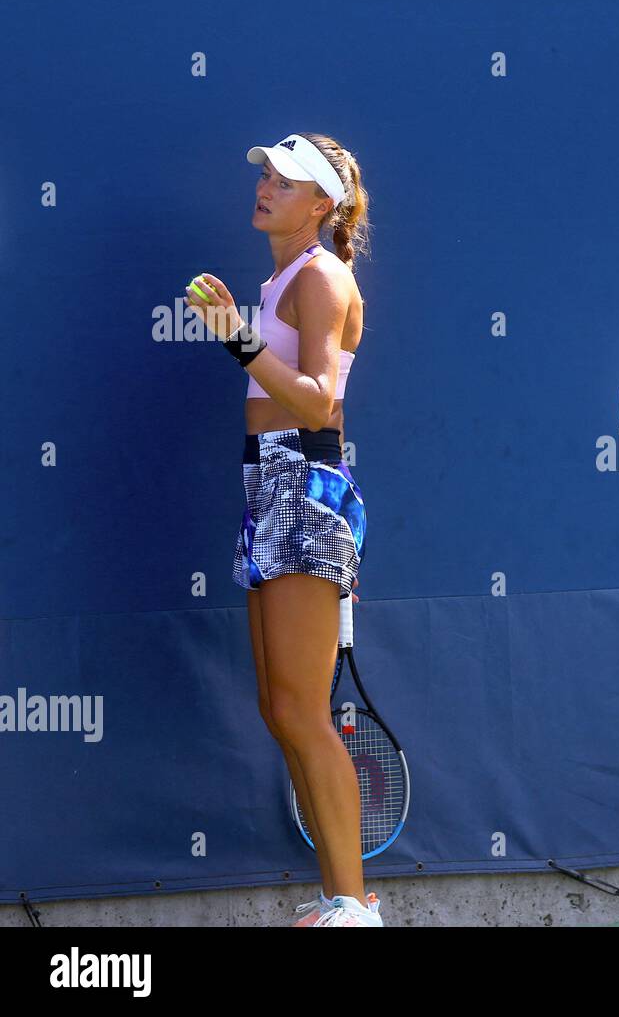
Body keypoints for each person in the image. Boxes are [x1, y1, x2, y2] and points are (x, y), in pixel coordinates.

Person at [183, 132, 382, 927]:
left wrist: (236, 336)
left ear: (321, 205)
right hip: (269, 480)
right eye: (265, 173)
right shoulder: (283, 280)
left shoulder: (322, 279)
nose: (266, 185)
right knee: (280, 706)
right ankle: (343, 896)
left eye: (285, 180)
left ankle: (352, 907)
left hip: (303, 480)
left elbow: (317, 403)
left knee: (301, 708)